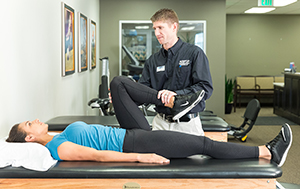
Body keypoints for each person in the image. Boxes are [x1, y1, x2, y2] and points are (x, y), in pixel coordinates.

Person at [6, 76, 292, 167]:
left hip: (129, 131)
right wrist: (141, 158)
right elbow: (98, 156)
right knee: (204, 144)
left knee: (118, 84)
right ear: (29, 138)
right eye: (29, 124)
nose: (35, 120)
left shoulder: (59, 134)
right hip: (135, 142)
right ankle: (268, 151)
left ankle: (170, 99)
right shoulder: (59, 147)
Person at [138, 8, 213, 136]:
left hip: (188, 125)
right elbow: (143, 89)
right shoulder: (153, 60)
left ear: (174, 27)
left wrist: (175, 95)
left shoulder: (194, 53)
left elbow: (205, 88)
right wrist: (124, 93)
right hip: (160, 124)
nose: (157, 33)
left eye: (160, 28)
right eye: (154, 28)